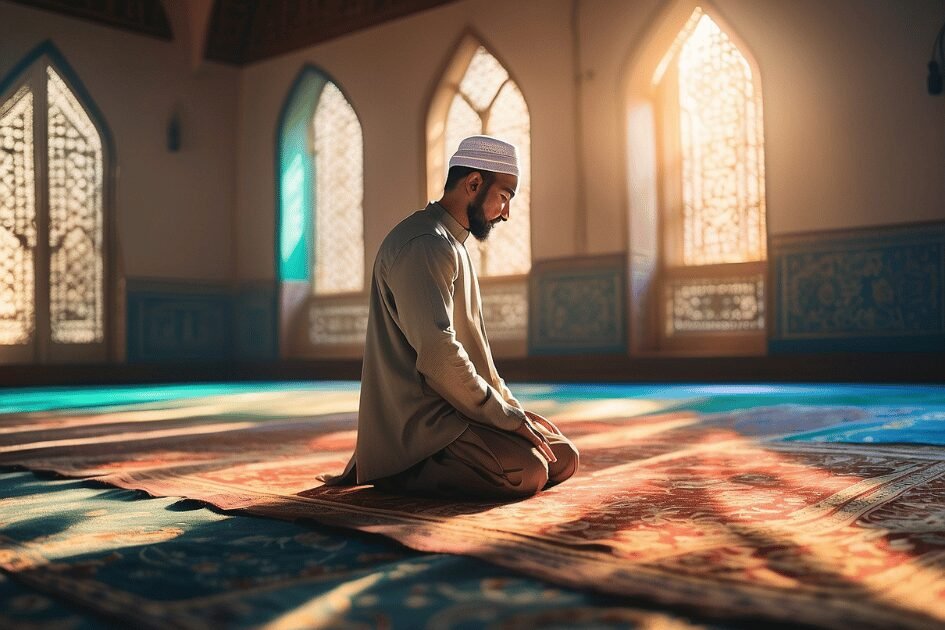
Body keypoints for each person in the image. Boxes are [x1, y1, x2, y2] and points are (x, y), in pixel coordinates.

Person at [323, 135, 578, 500]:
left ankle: (475, 452)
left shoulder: (449, 242)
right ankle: (396, 470)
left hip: (458, 408)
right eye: (504, 197)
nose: (505, 213)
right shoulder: (425, 244)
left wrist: (512, 412)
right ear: (474, 183)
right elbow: (439, 355)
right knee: (528, 471)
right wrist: (505, 419)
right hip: (423, 422)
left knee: (564, 458)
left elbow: (477, 359)